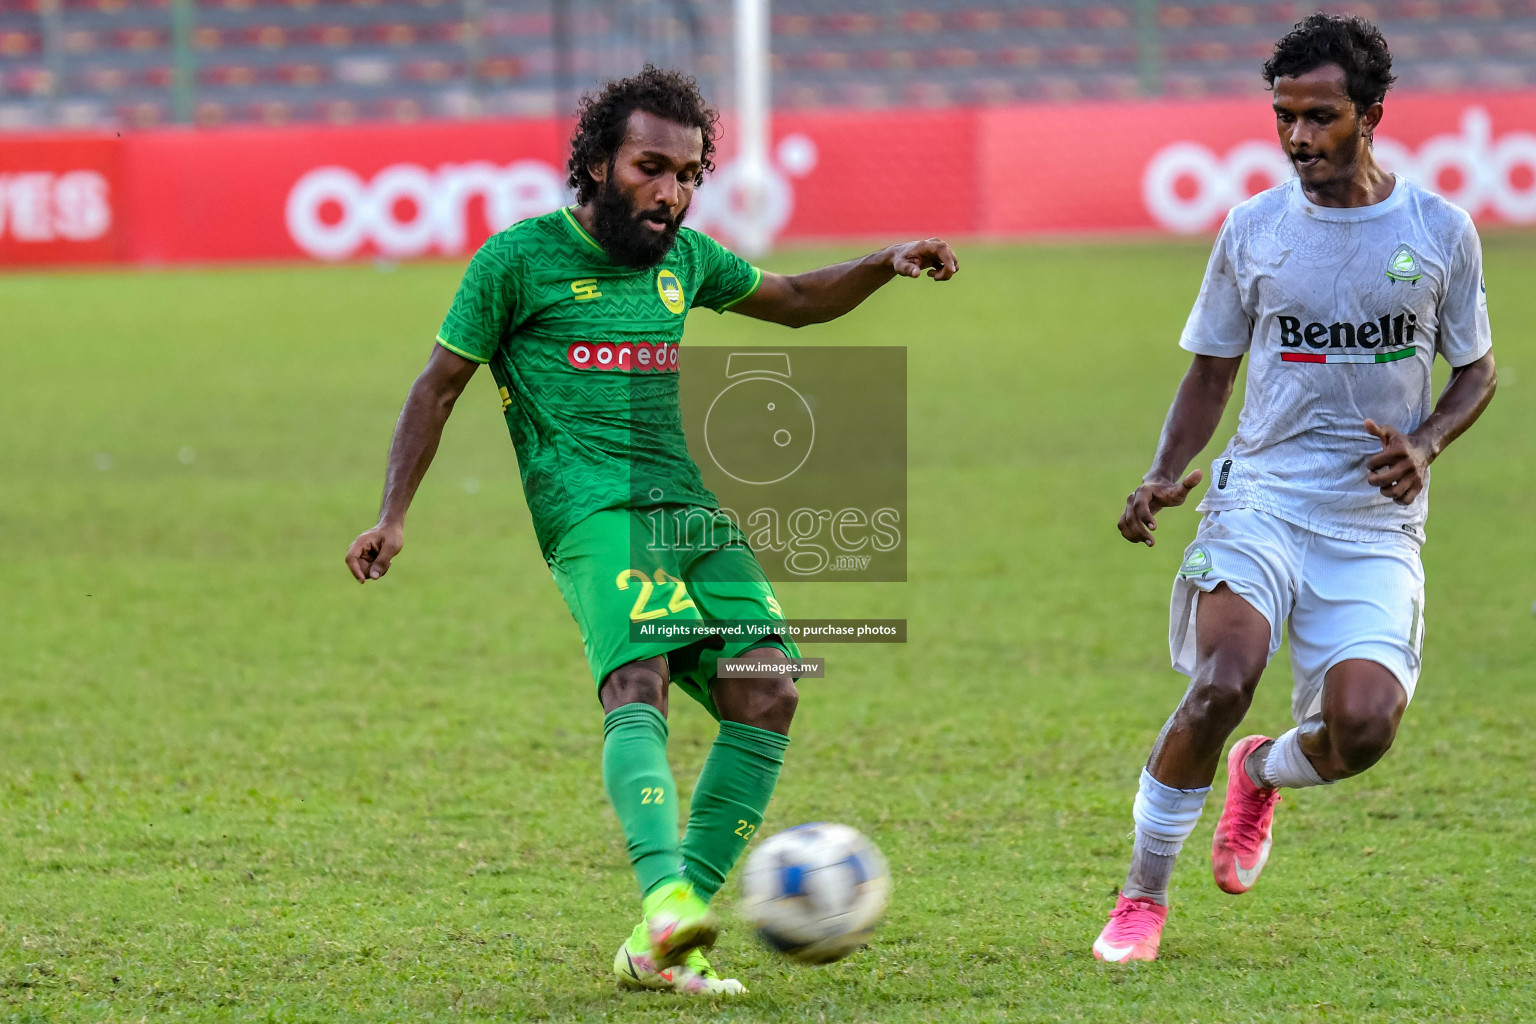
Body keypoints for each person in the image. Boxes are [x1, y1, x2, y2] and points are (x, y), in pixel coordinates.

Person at [344, 65, 958, 993]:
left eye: (688, 174)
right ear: (595, 163)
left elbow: (792, 299)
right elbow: (438, 385)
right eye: (651, 167)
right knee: (641, 677)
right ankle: (668, 898)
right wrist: (393, 515)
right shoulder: (516, 261)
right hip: (589, 509)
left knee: (771, 691)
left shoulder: (687, 261)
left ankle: (660, 941)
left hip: (689, 510)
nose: (671, 192)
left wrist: (879, 264)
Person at [1091, 14, 1496, 963]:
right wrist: (1160, 473)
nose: (1300, 138)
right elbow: (1210, 371)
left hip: (1372, 521)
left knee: (1360, 730)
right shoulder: (1254, 229)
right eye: (1285, 117)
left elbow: (1477, 372)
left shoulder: (1440, 232)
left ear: (1372, 114)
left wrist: (1429, 441)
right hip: (1262, 495)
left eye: (1321, 116)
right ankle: (1140, 898)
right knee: (1221, 681)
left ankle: (1261, 774)